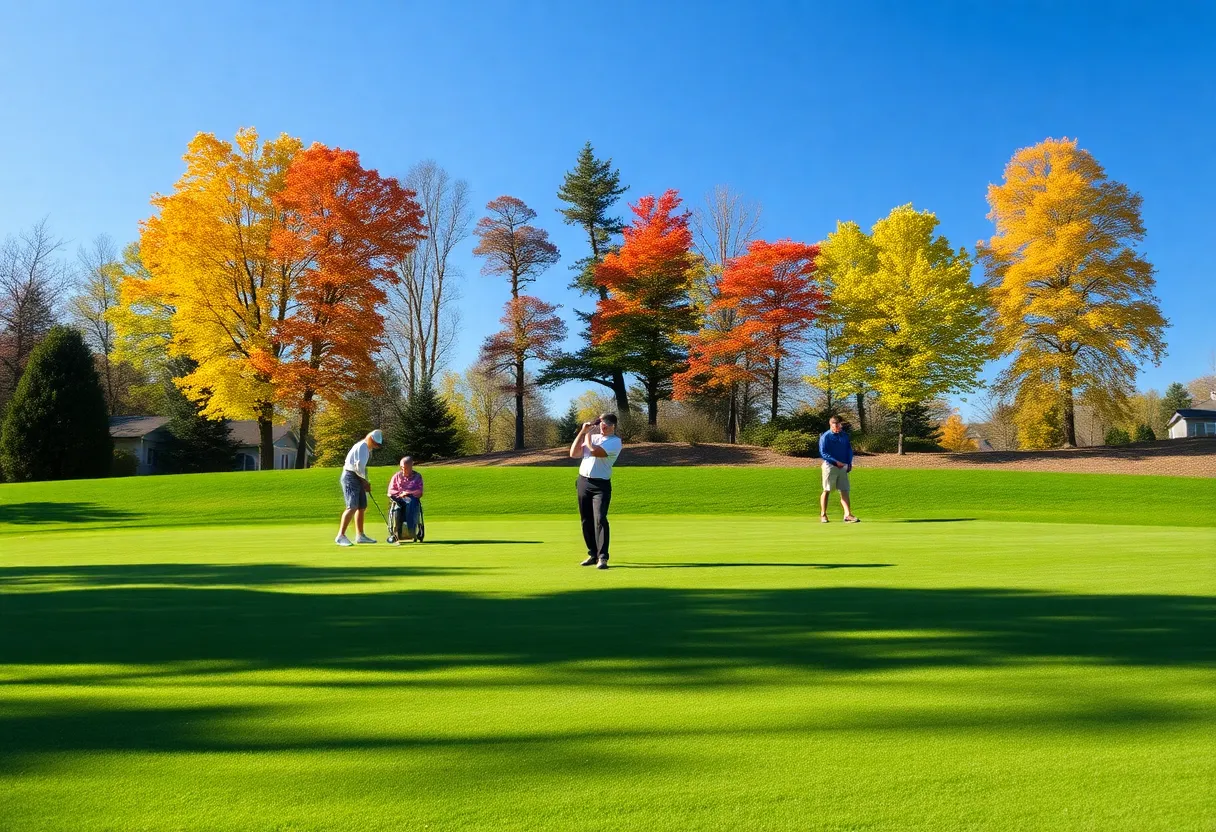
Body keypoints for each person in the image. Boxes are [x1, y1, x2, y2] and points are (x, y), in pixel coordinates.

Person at [569, 413, 622, 569]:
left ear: (613, 426)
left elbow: (594, 452)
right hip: (583, 482)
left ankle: (603, 557)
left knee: (600, 518)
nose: (602, 426)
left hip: (601, 485)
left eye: (606, 424)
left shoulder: (615, 442)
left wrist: (587, 436)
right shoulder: (593, 437)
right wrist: (582, 432)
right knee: (586, 520)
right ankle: (592, 554)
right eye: (601, 424)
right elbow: (574, 453)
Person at [336, 430, 383, 546]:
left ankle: (360, 535)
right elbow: (358, 467)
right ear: (371, 439)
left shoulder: (366, 448)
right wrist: (364, 481)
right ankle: (340, 536)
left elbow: (362, 468)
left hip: (357, 477)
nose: (376, 446)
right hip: (351, 476)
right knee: (352, 506)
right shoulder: (362, 446)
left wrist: (365, 481)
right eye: (376, 443)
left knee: (361, 506)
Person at [819, 416, 860, 523]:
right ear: (831, 424)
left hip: (843, 466)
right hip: (830, 466)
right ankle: (823, 514)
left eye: (840, 424)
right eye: (836, 424)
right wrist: (836, 462)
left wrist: (849, 462)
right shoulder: (825, 436)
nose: (839, 426)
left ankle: (848, 515)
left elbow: (848, 449)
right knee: (827, 490)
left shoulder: (844, 435)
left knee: (844, 490)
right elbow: (824, 453)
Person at [387, 456, 424, 542]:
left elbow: (420, 492)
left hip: (412, 499)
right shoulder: (396, 476)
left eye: (406, 468)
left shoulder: (417, 477)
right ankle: (397, 532)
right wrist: (400, 494)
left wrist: (408, 493)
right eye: (402, 467)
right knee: (397, 507)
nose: (404, 470)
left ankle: (410, 531)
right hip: (399, 499)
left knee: (411, 503)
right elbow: (390, 491)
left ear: (412, 466)